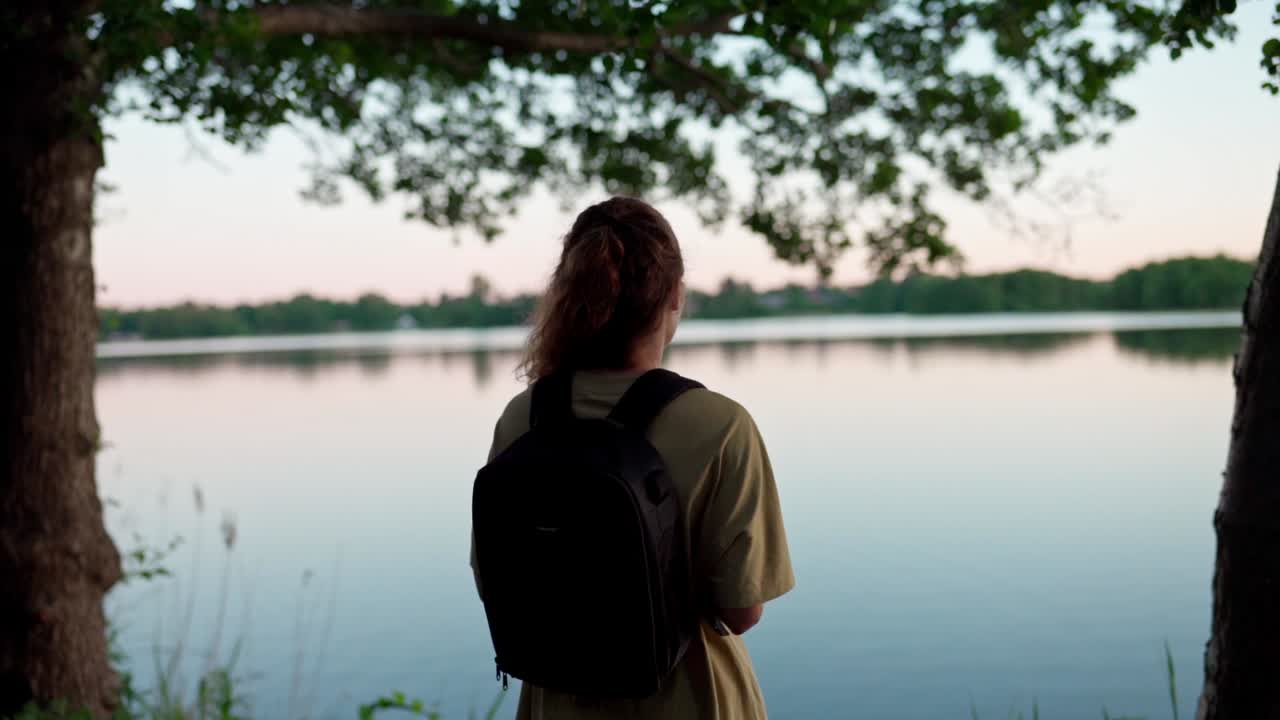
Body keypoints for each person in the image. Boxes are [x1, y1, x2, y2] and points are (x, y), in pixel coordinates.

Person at [472, 196, 794, 720]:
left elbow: (493, 579)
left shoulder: (522, 417)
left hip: (558, 701)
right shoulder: (719, 425)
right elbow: (741, 611)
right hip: (690, 701)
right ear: (674, 296)